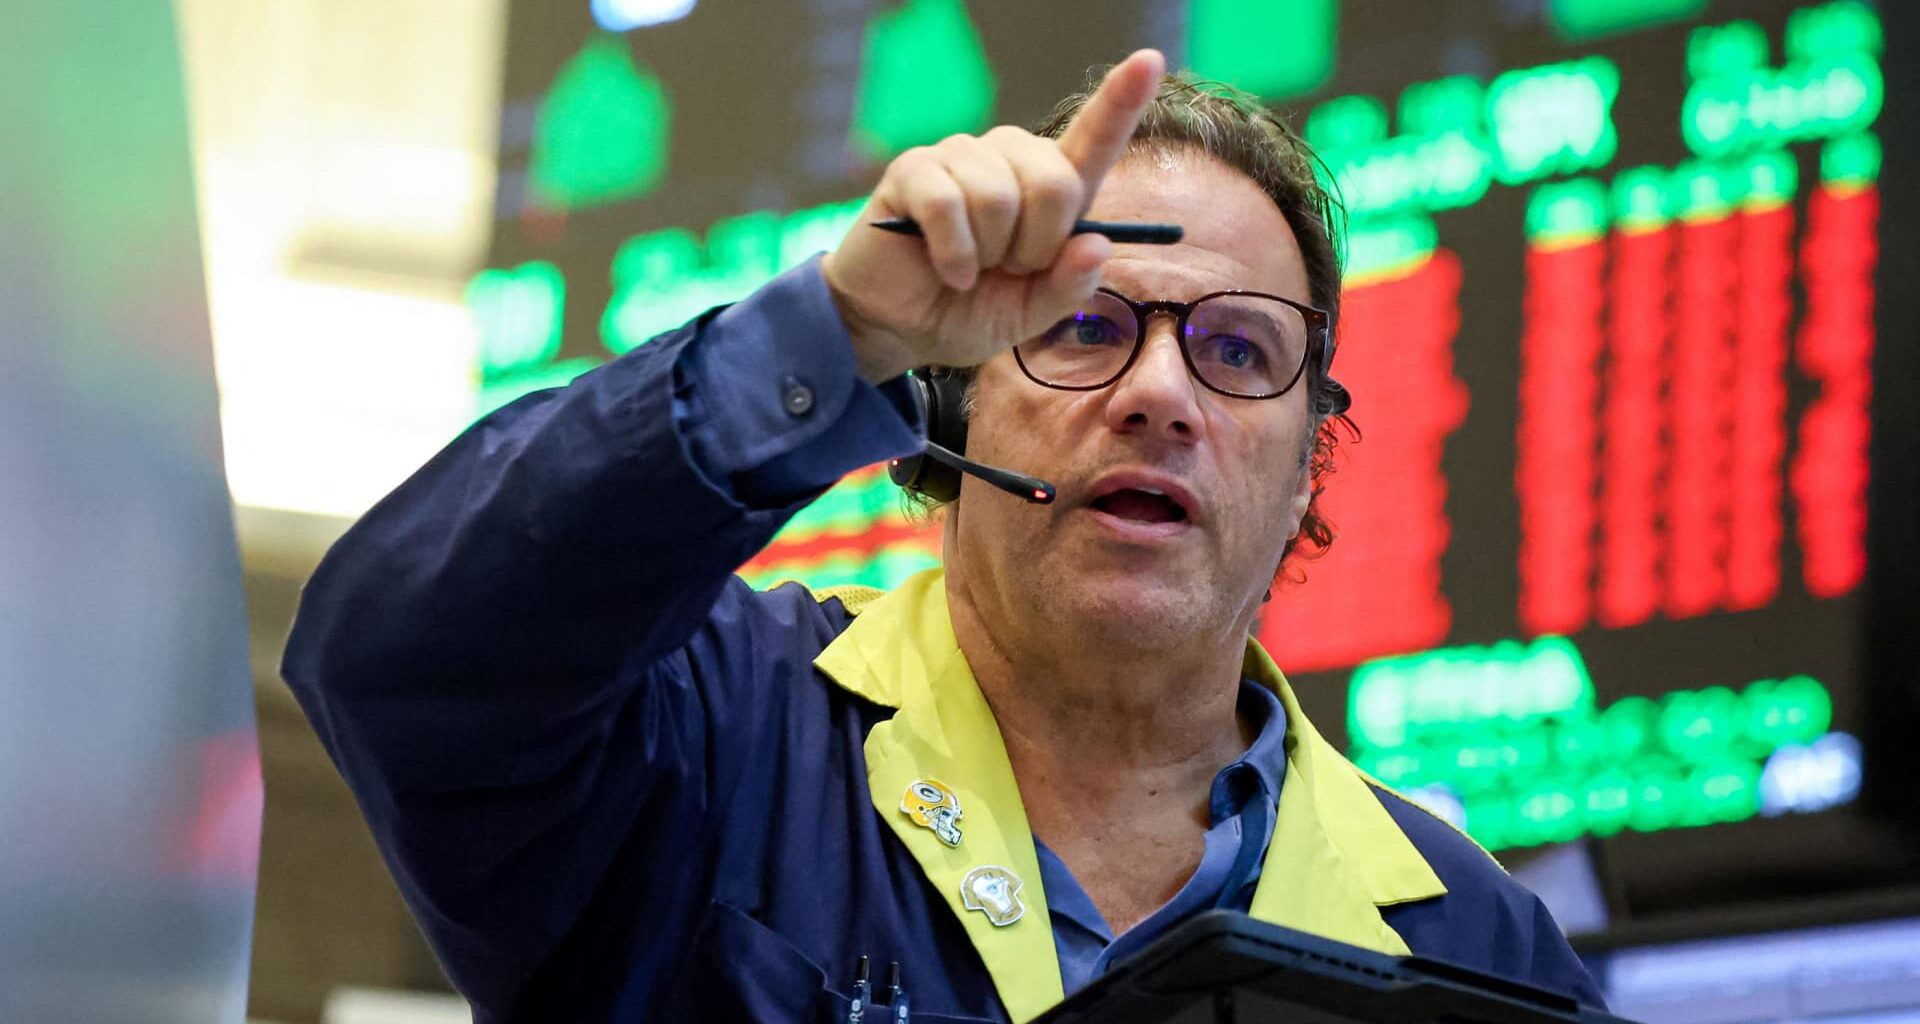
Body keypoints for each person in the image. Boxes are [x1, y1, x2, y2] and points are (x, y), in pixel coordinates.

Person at [284, 50, 1604, 1023]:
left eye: (1239, 351)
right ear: (955, 411)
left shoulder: (1479, 948)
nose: (1160, 395)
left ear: (1308, 460)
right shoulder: (711, 733)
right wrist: (830, 335)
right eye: (1084, 327)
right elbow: (398, 659)